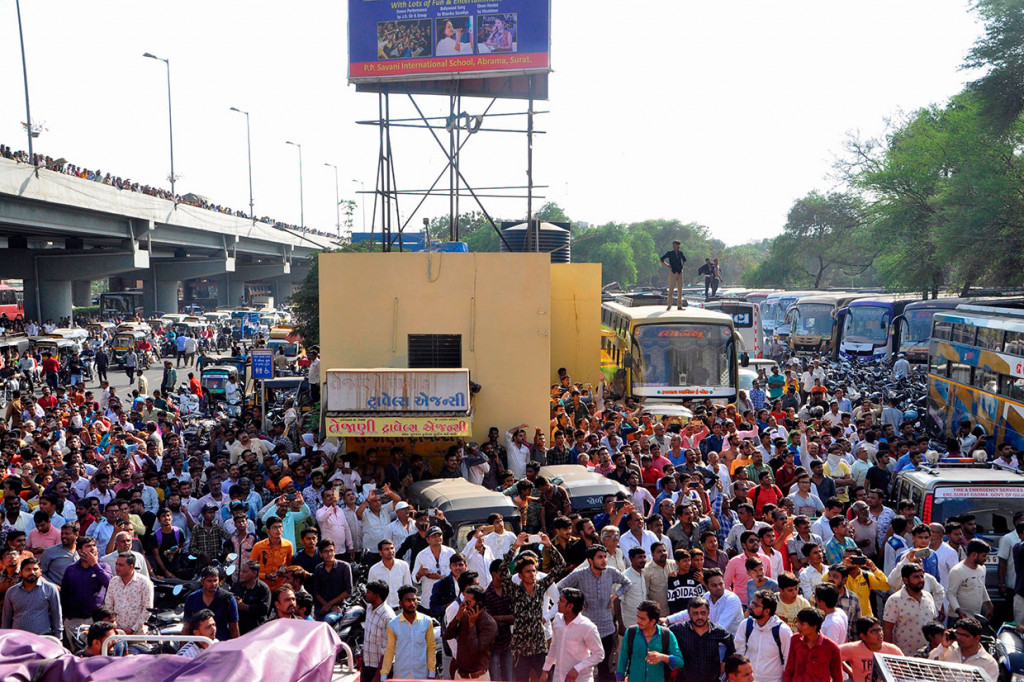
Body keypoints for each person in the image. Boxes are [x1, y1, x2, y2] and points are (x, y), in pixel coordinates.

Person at [558, 544, 632, 682]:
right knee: (585, 666)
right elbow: (559, 587)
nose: (604, 560)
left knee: (605, 666)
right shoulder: (579, 575)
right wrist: (577, 601)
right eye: (600, 557)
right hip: (586, 628)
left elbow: (627, 583)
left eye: (605, 557)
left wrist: (615, 595)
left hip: (607, 627)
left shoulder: (611, 572)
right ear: (590, 560)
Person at [499, 532, 565, 682]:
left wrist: (548, 545)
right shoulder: (514, 590)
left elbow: (560, 566)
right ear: (520, 575)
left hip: (539, 645)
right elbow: (503, 571)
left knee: (546, 679)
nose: (532, 574)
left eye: (534, 571)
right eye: (528, 571)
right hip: (521, 647)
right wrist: (515, 546)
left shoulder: (541, 587)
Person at [543, 587, 605, 682]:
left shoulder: (587, 627)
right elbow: (554, 646)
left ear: (570, 606)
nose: (558, 603)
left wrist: (577, 669)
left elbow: (599, 654)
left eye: (561, 601)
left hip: (580, 679)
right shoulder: (557, 620)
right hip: (558, 678)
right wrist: (545, 669)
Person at [669, 596, 735, 681]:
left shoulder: (718, 631)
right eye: (695, 613)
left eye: (703, 613)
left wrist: (725, 663)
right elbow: (663, 635)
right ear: (689, 614)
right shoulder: (679, 629)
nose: (699, 617)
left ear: (708, 613)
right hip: (685, 678)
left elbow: (732, 645)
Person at [616, 600, 682, 682]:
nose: (638, 621)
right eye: (638, 617)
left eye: (642, 619)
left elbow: (680, 662)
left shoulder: (667, 635)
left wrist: (663, 657)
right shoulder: (630, 633)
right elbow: (623, 659)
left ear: (652, 621)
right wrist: (619, 678)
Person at [380, 585, 436, 680]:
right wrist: (384, 674)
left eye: (414, 600)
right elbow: (390, 650)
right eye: (408, 600)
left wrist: (431, 672)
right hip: (401, 675)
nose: (412, 603)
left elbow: (431, 647)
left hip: (421, 675)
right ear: (400, 603)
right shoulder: (393, 624)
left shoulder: (427, 621)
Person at [734, 590, 791, 682]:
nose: (751, 606)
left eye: (756, 605)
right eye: (752, 602)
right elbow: (739, 654)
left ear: (766, 611)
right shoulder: (745, 625)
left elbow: (788, 661)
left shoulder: (783, 631)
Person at [60, 536, 110, 642]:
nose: (92, 548)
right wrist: (65, 617)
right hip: (74, 620)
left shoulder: (103, 566)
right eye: (88, 546)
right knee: (76, 651)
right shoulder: (70, 569)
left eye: (94, 546)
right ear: (79, 551)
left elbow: (109, 584)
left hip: (95, 620)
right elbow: (64, 594)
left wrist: (94, 565)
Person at [1, 556, 62, 638]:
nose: (32, 572)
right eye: (28, 569)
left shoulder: (50, 589)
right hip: (18, 639)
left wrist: (59, 638)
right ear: (20, 573)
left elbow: (57, 615)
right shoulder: (11, 592)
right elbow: (6, 619)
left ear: (40, 572)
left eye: (35, 569)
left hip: (42, 638)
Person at [882, 564, 938, 655]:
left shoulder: (928, 596)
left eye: (921, 576)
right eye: (916, 577)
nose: (920, 580)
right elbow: (887, 630)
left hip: (928, 655)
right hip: (904, 656)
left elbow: (934, 623)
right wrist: (890, 655)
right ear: (905, 580)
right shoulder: (895, 600)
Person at [445, 584, 498, 680]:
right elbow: (448, 635)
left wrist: (472, 625)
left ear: (479, 603)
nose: (465, 605)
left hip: (478, 677)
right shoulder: (464, 616)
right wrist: (457, 617)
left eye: (468, 602)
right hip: (460, 675)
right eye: (464, 601)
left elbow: (476, 650)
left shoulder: (489, 624)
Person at [928, 616, 999, 680]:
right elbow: (929, 670)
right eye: (957, 633)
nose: (959, 637)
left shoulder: (989, 663)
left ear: (977, 638)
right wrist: (943, 646)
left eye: (965, 635)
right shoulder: (947, 649)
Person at [782, 607, 842, 682]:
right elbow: (789, 670)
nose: (798, 626)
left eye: (802, 624)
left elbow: (838, 678)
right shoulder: (795, 640)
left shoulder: (832, 648)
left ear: (814, 627)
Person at [183, 565, 240, 641]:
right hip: (198, 644)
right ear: (202, 582)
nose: (213, 584)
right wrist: (181, 650)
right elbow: (186, 627)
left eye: (215, 580)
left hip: (221, 644)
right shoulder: (192, 598)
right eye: (209, 581)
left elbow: (234, 628)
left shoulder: (228, 599)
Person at [102, 552, 152, 636]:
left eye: (121, 565)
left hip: (137, 634)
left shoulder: (144, 582)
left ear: (131, 567)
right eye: (116, 564)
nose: (117, 568)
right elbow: (108, 606)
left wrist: (133, 629)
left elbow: (147, 609)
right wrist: (114, 626)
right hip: (116, 633)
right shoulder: (113, 582)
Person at [839, 617, 901, 682]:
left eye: (880, 629)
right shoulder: (853, 649)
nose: (880, 634)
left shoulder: (893, 650)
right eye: (874, 632)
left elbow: (907, 669)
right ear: (863, 636)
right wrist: (851, 672)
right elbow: (832, 653)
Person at [947, 539, 993, 622]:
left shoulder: (982, 568)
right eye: (983, 556)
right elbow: (951, 594)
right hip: (958, 618)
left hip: (975, 617)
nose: (986, 559)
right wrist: (960, 612)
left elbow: (982, 587)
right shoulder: (957, 571)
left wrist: (989, 605)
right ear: (974, 555)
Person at [312, 539, 353, 622]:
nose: (329, 554)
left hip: (338, 607)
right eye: (325, 551)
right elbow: (315, 592)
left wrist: (330, 605)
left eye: (331, 550)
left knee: (328, 620)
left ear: (335, 551)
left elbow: (348, 590)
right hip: (321, 607)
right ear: (320, 554)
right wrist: (326, 605)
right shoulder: (318, 569)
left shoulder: (344, 567)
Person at [230, 559, 271, 635]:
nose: (241, 574)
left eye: (245, 572)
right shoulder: (236, 586)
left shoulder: (263, 588)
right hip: (240, 629)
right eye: (241, 571)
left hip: (257, 630)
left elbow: (264, 609)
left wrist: (246, 607)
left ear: (254, 573)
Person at [659, 240, 687, 310]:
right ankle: (669, 305)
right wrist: (667, 265)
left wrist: (681, 266)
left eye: (677, 245)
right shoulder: (670, 253)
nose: (675, 246)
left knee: (680, 289)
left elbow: (684, 260)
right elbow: (661, 259)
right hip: (673, 271)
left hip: (680, 272)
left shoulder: (680, 253)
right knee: (671, 288)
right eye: (674, 245)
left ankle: (679, 306)